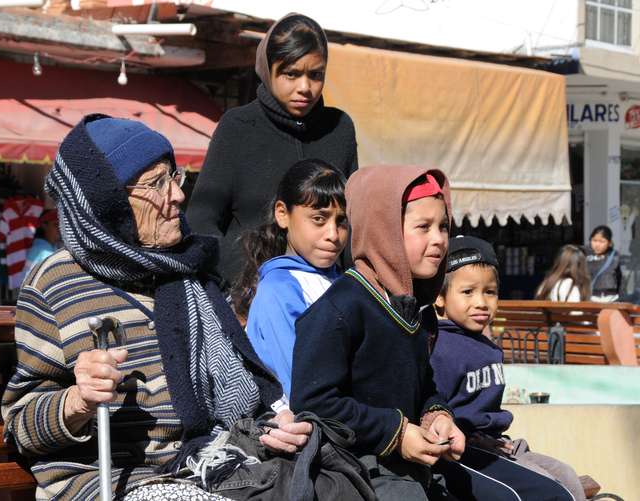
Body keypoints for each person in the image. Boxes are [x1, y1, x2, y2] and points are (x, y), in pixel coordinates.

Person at [2, 115, 311, 501]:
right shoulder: (54, 282)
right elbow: (19, 427)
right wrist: (77, 401)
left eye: (174, 178)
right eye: (156, 184)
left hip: (208, 466)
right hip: (114, 481)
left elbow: (238, 391)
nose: (178, 196)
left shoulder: (188, 269)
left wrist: (272, 424)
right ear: (109, 203)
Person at [291, 165, 465, 501]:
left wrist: (436, 415)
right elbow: (312, 401)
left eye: (443, 226)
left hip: (414, 467)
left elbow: (420, 385)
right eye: (423, 227)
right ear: (384, 231)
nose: (439, 239)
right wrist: (396, 433)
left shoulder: (416, 309)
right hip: (356, 471)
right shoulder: (341, 308)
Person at [187, 13, 359, 284]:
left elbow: (353, 220)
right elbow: (201, 221)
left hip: (326, 299)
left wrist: (350, 289)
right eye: (291, 74)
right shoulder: (237, 127)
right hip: (246, 298)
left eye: (316, 75)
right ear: (269, 69)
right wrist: (249, 280)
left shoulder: (340, 129)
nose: (305, 87)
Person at [431, 236, 585, 501]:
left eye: (489, 292)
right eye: (468, 292)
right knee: (548, 490)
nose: (481, 302)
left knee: (567, 475)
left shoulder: (484, 344)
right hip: (464, 450)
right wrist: (476, 440)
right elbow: (435, 414)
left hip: (501, 443)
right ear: (440, 297)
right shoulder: (441, 348)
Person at [234, 159, 348, 397]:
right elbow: (303, 388)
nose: (333, 234)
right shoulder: (277, 290)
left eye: (342, 220)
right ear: (283, 214)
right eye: (319, 218)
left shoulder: (346, 281)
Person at [20, 208, 61, 284]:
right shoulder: (38, 249)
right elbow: (25, 279)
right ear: (44, 225)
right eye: (55, 224)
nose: (58, 227)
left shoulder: (54, 247)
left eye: (59, 224)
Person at [585, 225, 626, 302]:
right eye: (594, 240)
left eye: (601, 241)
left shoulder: (615, 256)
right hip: (591, 298)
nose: (597, 244)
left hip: (612, 298)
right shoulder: (584, 254)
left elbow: (620, 279)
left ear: (609, 242)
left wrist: (623, 299)